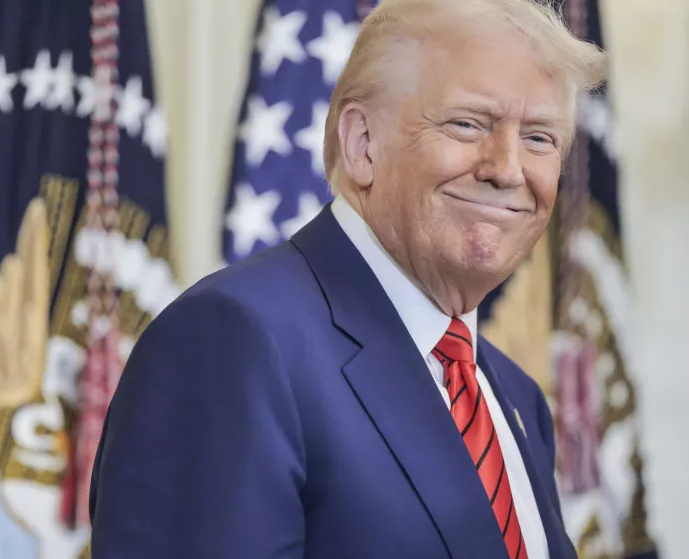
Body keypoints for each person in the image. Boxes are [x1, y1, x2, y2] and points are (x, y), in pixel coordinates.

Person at [88, 0, 607, 557]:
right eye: (467, 123)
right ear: (362, 144)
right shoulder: (230, 343)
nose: (506, 168)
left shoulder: (516, 398)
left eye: (539, 138)